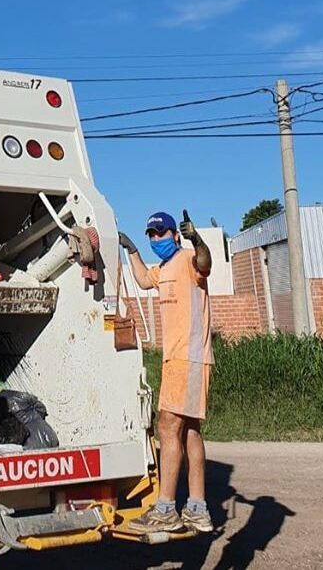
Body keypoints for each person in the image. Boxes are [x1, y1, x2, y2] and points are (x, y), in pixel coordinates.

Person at [119, 210, 215, 534]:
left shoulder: (189, 258)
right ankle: (198, 508)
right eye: (151, 235)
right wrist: (130, 249)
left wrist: (196, 238)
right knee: (189, 431)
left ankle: (165, 509)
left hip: (188, 358)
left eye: (161, 233)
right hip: (178, 361)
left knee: (167, 426)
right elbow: (144, 279)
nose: (156, 239)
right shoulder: (163, 269)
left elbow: (205, 263)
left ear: (175, 234)